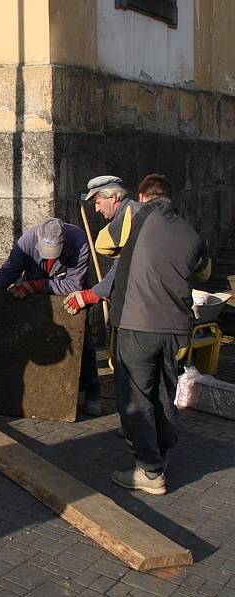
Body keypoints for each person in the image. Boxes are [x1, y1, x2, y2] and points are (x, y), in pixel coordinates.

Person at [97, 174, 209, 495]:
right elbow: (203, 271)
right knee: (163, 392)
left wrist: (130, 253)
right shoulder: (190, 231)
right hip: (177, 329)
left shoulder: (138, 215)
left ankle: (149, 469)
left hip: (138, 323)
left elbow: (105, 244)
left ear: (144, 196)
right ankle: (162, 454)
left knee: (135, 395)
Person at [0, 218, 101, 415]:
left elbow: (74, 285)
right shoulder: (26, 242)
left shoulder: (79, 242)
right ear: (38, 240)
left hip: (68, 294)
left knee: (82, 342)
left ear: (64, 241)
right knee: (33, 338)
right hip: (34, 293)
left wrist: (36, 285)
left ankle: (92, 391)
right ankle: (41, 392)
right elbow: (9, 271)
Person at [62, 176, 138, 316]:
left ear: (113, 198)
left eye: (98, 202)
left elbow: (122, 266)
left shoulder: (129, 217)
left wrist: (92, 294)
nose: (96, 209)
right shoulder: (131, 212)